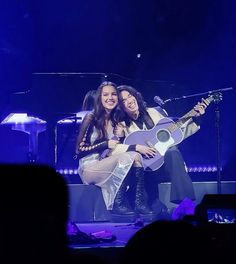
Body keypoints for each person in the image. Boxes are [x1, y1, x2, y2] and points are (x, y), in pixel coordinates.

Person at [111, 85, 209, 214]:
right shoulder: (123, 125)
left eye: (130, 96)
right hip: (145, 172)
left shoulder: (156, 112)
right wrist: (135, 146)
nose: (129, 101)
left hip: (167, 166)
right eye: (124, 100)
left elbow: (177, 134)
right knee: (156, 211)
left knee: (172, 150)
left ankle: (185, 202)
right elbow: (116, 149)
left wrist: (196, 117)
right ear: (121, 107)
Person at [75, 81, 151, 216]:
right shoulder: (91, 117)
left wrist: (118, 137)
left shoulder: (116, 120)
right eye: (106, 95)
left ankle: (140, 203)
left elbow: (111, 151)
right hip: (90, 168)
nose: (110, 98)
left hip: (106, 162)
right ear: (100, 98)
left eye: (113, 94)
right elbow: (79, 150)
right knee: (130, 155)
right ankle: (118, 202)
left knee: (137, 156)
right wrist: (105, 144)